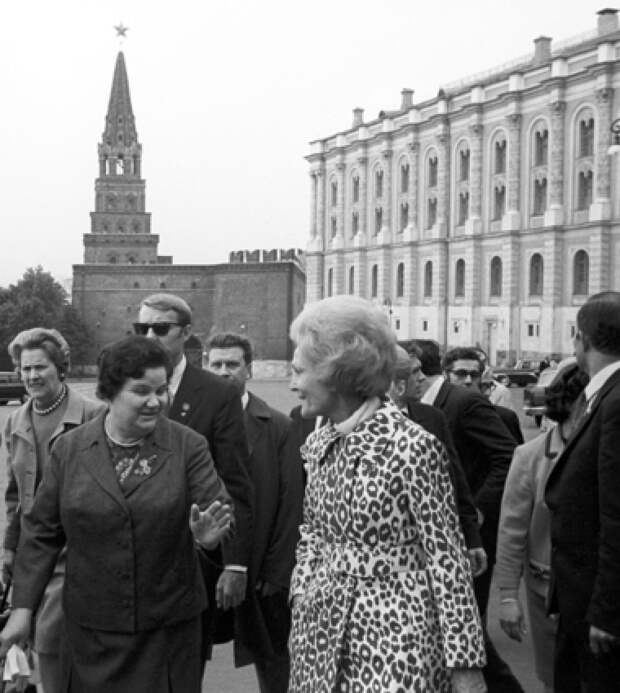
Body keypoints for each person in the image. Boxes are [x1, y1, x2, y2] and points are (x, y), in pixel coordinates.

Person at [0, 335, 233, 693]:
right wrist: (22, 610)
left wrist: (208, 540)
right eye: (141, 391)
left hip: (166, 632)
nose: (156, 401)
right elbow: (40, 533)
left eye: (162, 389)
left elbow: (219, 510)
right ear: (109, 393)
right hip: (92, 632)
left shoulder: (189, 446)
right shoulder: (70, 449)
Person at [288, 296, 486, 692]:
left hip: (397, 638)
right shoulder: (322, 441)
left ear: (336, 373)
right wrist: (303, 591)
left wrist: (465, 666)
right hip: (321, 634)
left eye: (299, 371)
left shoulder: (412, 446)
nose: (292, 384)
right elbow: (311, 532)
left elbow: (446, 558)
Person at [135, 293, 253, 656]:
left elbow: (234, 482)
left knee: (184, 669)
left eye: (161, 328)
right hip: (135, 557)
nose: (150, 336)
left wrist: (235, 562)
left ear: (185, 333)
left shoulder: (217, 393)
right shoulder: (126, 389)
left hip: (191, 560)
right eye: (142, 328)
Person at [412, 339, 522, 693]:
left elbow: (508, 456)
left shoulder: (463, 402)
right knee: (459, 632)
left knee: (466, 631)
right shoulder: (423, 408)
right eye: (461, 373)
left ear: (416, 369)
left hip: (470, 532)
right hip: (444, 537)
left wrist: (474, 508)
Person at [2, 327, 105, 693]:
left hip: (75, 554)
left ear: (61, 367)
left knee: (54, 643)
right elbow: (15, 497)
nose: (31, 376)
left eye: (40, 367)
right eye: (25, 369)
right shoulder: (15, 421)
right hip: (32, 555)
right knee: (30, 648)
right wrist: (9, 550)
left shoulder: (95, 414)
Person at [205, 332, 303, 693]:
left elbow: (290, 504)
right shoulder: (186, 421)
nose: (224, 371)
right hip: (203, 567)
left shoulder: (277, 426)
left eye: (233, 364)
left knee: (275, 665)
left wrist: (277, 575)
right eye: (216, 364)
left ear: (248, 369)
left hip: (261, 570)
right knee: (184, 662)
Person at [496, 361, 588, 693]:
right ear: (571, 403)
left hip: (598, 592)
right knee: (557, 679)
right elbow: (511, 530)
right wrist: (508, 596)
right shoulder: (531, 455)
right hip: (546, 590)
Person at [545, 291, 620, 691]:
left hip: (596, 608)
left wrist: (608, 611)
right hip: (582, 598)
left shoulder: (614, 401)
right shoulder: (603, 395)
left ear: (582, 340)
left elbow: (615, 512)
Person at [392, 344, 486, 577]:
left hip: (436, 554)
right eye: (414, 371)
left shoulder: (432, 418)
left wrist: (472, 538)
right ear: (394, 381)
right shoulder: (360, 427)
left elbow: (456, 483)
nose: (422, 377)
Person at [444, 348, 523, 444]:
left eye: (474, 375)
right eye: (461, 373)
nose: (468, 380)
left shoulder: (504, 418)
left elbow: (517, 457)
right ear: (445, 375)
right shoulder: (437, 416)